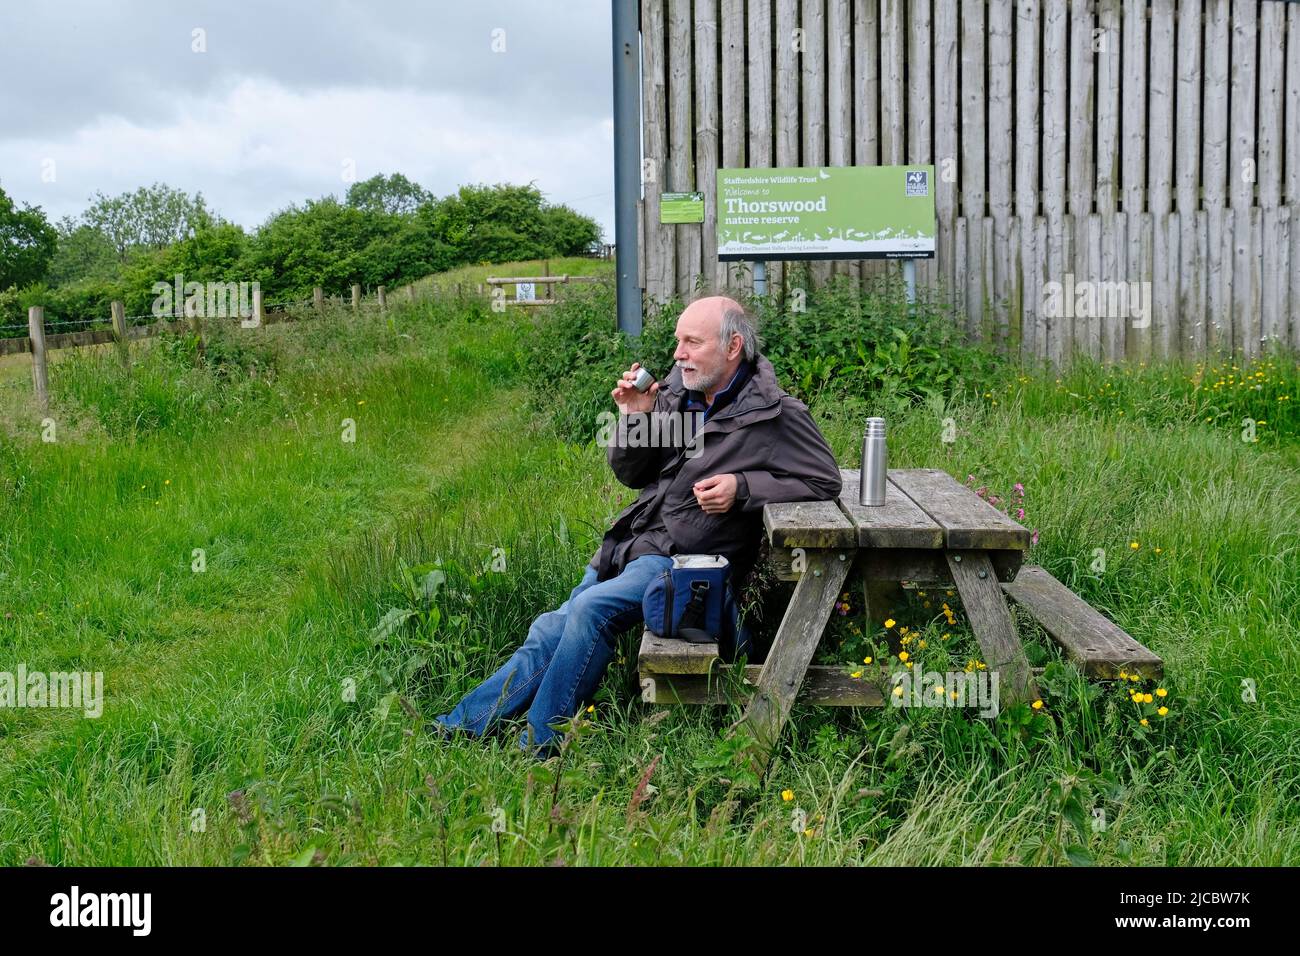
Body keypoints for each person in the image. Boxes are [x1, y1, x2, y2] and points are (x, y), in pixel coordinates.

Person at [429, 294, 842, 757]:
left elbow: (824, 479)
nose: (678, 354)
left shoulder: (776, 415)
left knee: (590, 612)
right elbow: (631, 474)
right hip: (634, 541)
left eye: (691, 342)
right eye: (677, 342)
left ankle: (538, 748)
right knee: (551, 627)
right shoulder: (672, 398)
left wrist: (742, 487)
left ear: (732, 347)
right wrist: (635, 417)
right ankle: (460, 728)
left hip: (687, 561)